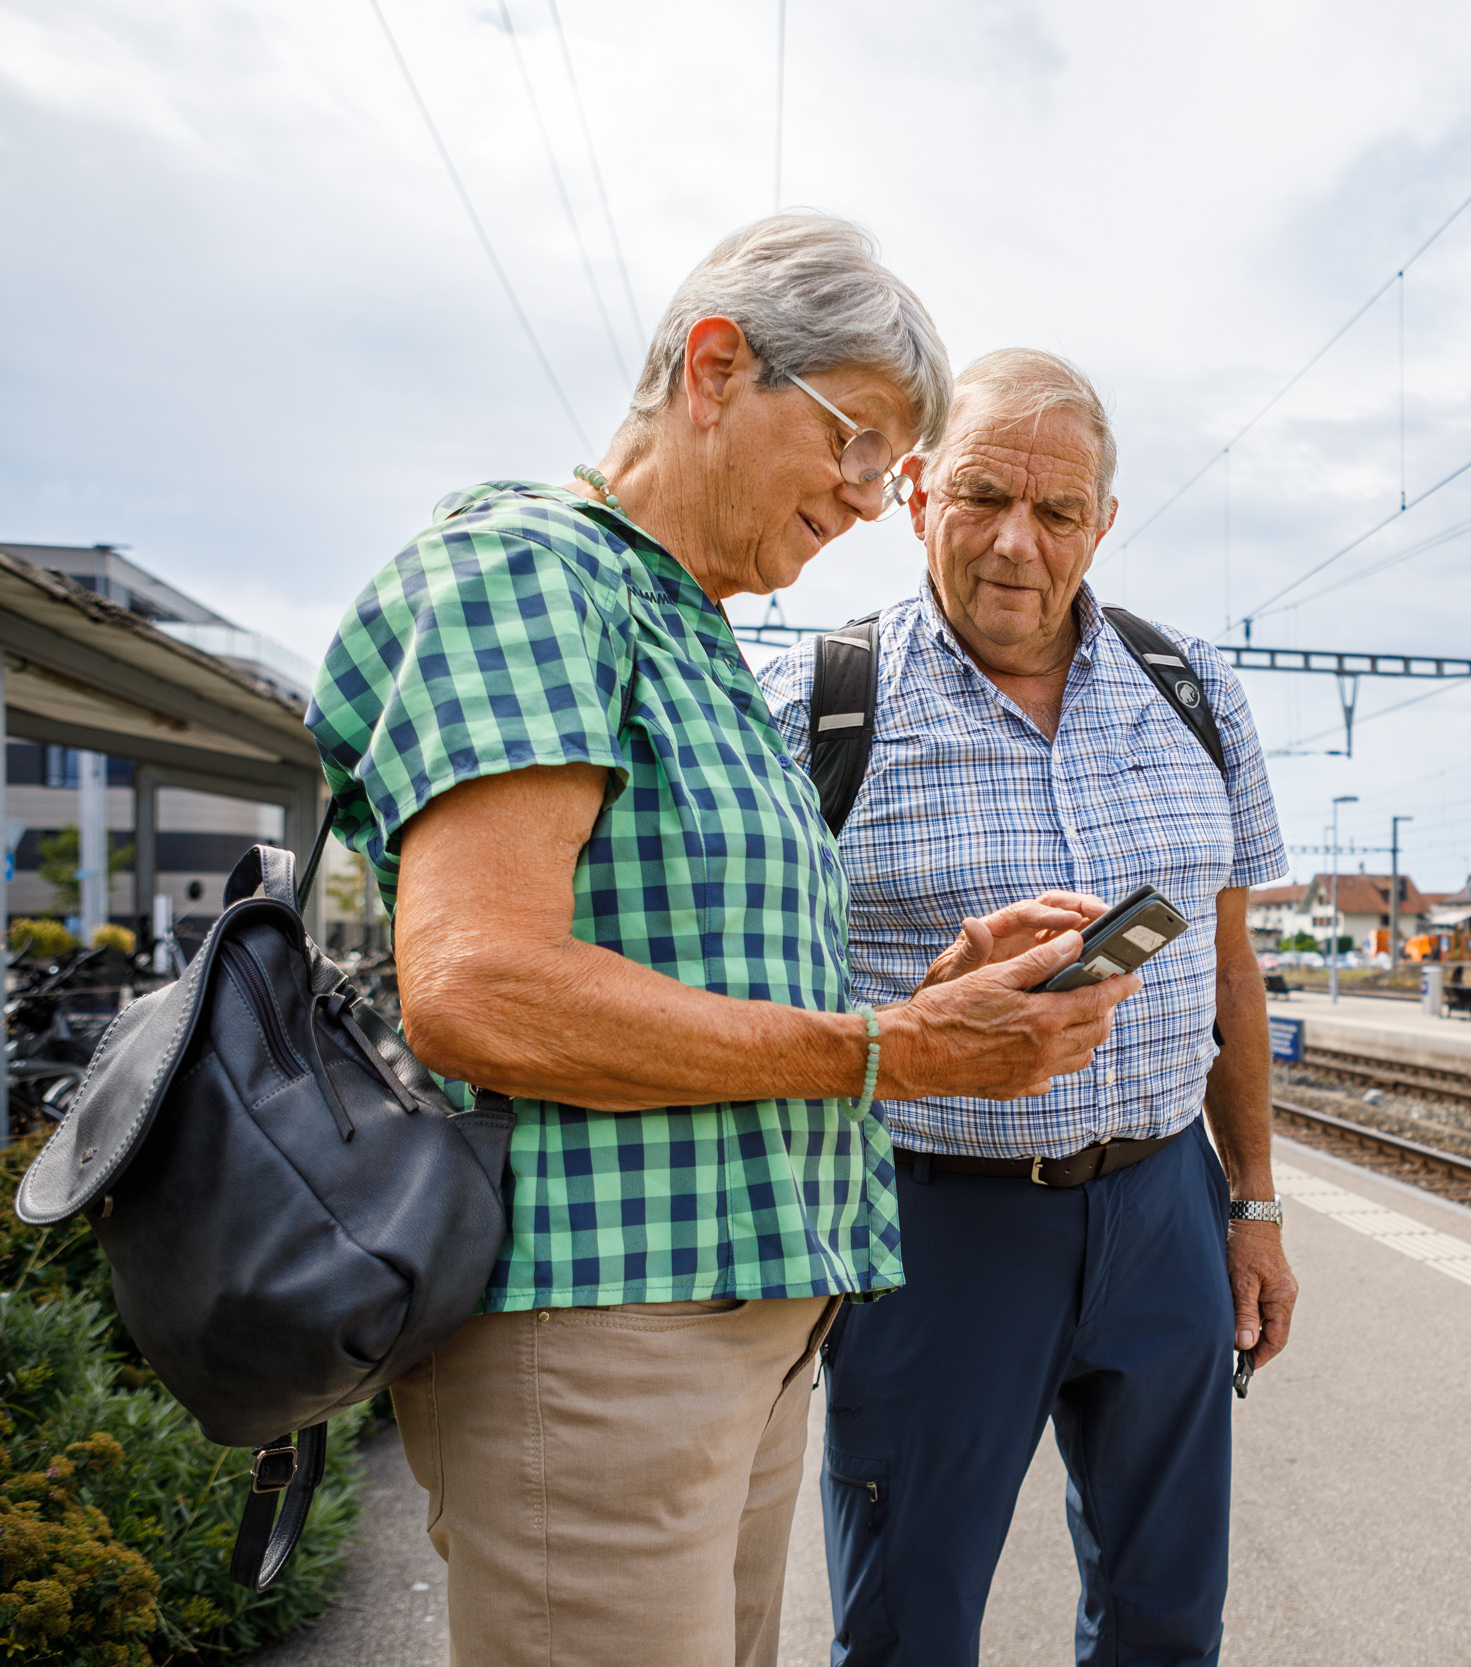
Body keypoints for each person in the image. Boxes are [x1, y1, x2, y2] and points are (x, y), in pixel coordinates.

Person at [306, 216, 1139, 1667]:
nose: (877, 499)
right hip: (606, 1337)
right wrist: (888, 1048)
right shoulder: (533, 574)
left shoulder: (684, 624)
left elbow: (700, 971)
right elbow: (481, 991)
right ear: (713, 368)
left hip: (735, 1326)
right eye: (858, 442)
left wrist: (932, 1001)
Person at [757, 349, 1297, 1666]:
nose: (1016, 543)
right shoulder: (822, 706)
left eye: (1058, 513)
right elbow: (748, 995)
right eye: (984, 496)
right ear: (914, 490)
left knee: (1168, 1617)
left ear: (1102, 524)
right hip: (933, 1223)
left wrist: (1254, 1202)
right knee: (906, 1625)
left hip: (1162, 1207)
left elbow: (1229, 969)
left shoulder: (1195, 691)